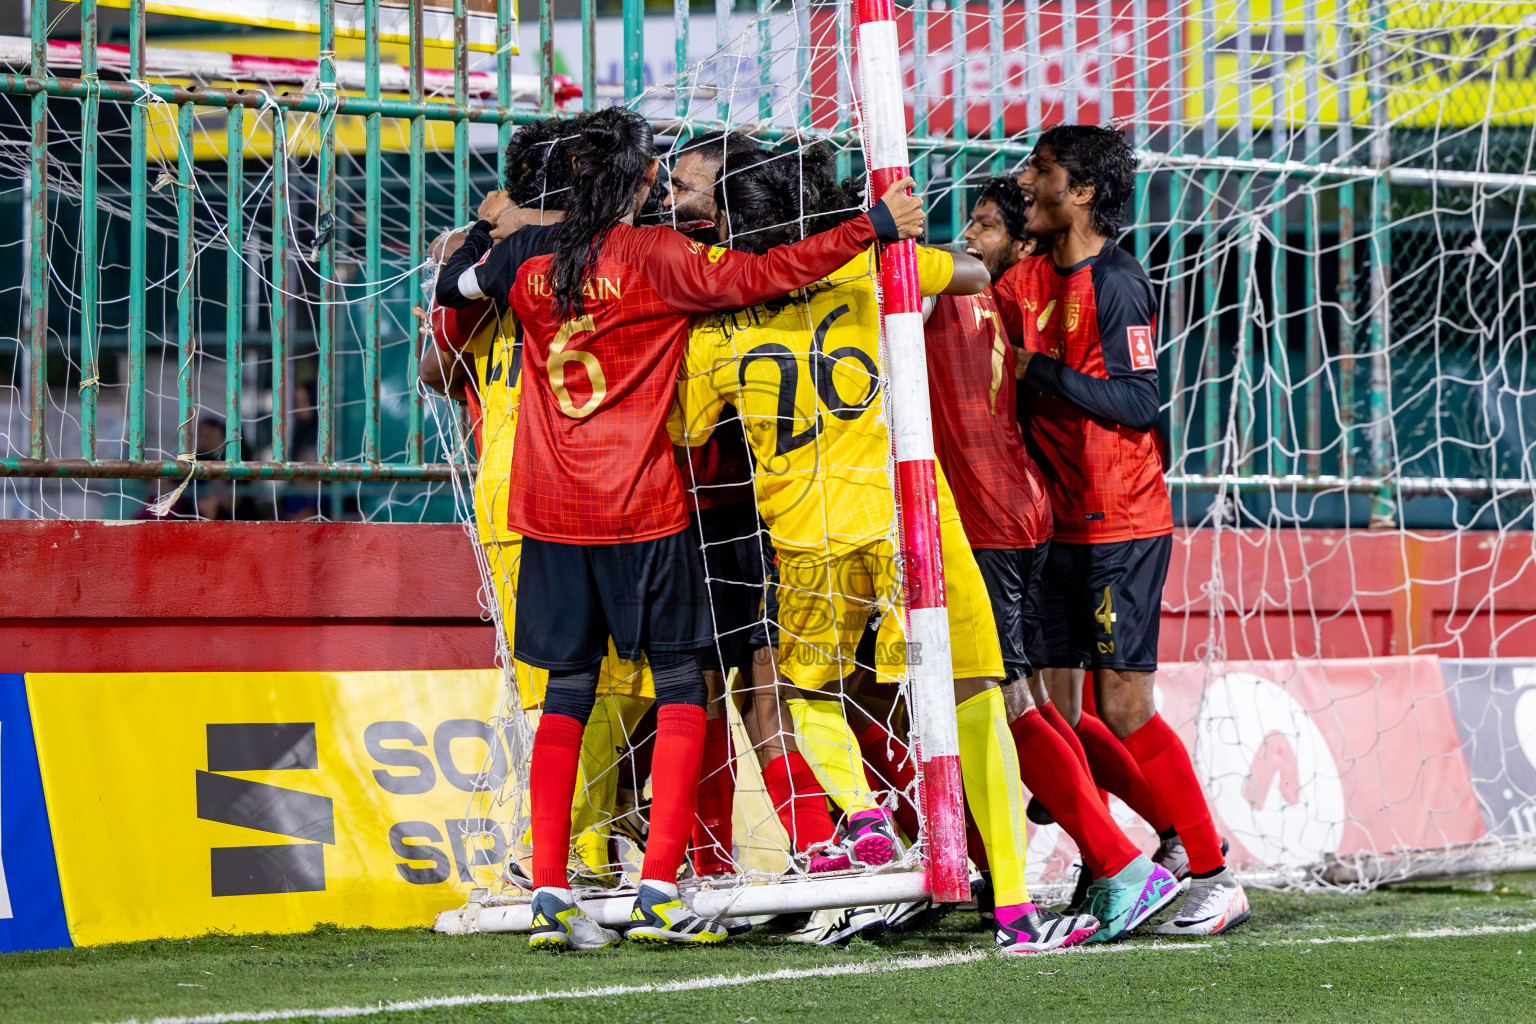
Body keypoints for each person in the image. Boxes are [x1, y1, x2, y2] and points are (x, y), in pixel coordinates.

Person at [441, 106, 927, 950]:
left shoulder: (521, 259)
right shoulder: (661, 260)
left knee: (565, 693)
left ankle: (552, 886)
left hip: (548, 513)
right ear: (629, 185)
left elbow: (455, 287)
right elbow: (774, 270)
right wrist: (873, 225)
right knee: (681, 688)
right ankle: (666, 881)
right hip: (644, 511)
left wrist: (500, 233)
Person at [672, 143, 1099, 955]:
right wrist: (899, 251)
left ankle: (865, 817)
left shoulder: (716, 316)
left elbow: (688, 430)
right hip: (911, 523)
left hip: (805, 537)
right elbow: (976, 278)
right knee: (974, 697)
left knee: (806, 697)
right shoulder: (869, 269)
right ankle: (1014, 908)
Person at [994, 124, 1250, 935]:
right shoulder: (1027, 278)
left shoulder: (1119, 284)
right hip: (1055, 527)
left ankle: (1209, 868)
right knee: (1066, 713)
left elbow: (1142, 403)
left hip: (1121, 523)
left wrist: (1045, 375)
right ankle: (1108, 866)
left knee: (1127, 703)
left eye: (1041, 170)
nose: (1026, 181)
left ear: (1083, 192)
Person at [925, 177, 1179, 942]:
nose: (970, 237)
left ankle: (1127, 863)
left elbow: (1135, 399)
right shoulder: (996, 298)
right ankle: (981, 865)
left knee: (1007, 704)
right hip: (1018, 512)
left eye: (986, 224)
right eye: (965, 224)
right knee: (1024, 703)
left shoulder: (942, 294)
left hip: (997, 521)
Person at [422, 115, 654, 891]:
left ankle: (586, 839)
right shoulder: (575, 254)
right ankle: (570, 853)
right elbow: (435, 363)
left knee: (615, 680)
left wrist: (486, 241)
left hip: (567, 481)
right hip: (541, 482)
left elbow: (432, 368)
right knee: (579, 680)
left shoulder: (504, 247)